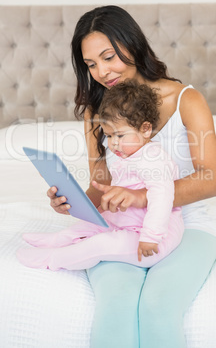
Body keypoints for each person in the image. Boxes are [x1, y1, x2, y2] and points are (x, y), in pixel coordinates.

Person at [46, 5, 216, 348]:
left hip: (189, 225)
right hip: (122, 226)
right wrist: (73, 201)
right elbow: (101, 184)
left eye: (109, 56)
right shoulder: (97, 113)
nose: (101, 72)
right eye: (91, 64)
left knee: (158, 307)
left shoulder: (186, 99)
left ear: (132, 44)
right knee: (117, 306)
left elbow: (212, 179)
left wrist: (144, 197)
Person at [17, 80, 184, 270]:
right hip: (127, 222)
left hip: (153, 239)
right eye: (109, 136)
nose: (113, 144)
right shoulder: (129, 154)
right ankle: (56, 240)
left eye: (120, 136)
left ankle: (53, 259)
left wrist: (150, 237)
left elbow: (162, 197)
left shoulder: (154, 159)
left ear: (145, 129)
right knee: (88, 225)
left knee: (101, 244)